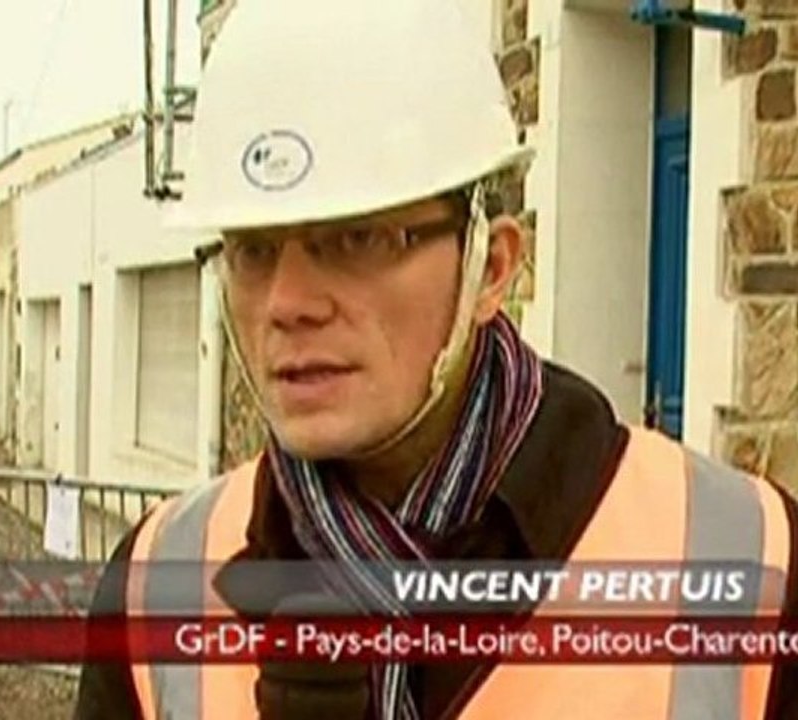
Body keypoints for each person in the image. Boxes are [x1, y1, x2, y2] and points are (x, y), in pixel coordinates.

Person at [75, 1, 798, 718]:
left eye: (356, 239)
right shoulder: (156, 582)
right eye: (252, 251)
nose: (287, 302)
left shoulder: (751, 559)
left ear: (490, 268)